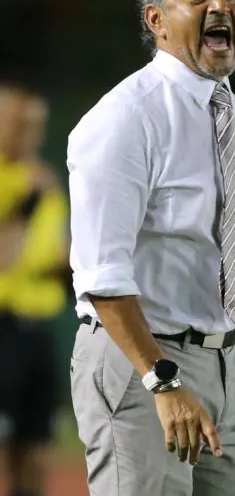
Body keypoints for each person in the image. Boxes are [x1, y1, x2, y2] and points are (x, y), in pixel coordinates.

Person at [67, 0, 235, 496]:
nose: (220, 6)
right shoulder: (125, 118)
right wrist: (162, 381)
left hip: (229, 365)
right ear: (156, 20)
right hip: (143, 362)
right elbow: (102, 277)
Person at [0, 85, 68, 496]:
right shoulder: (27, 186)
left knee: (38, 446)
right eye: (18, 125)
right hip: (2, 328)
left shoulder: (45, 181)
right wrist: (26, 203)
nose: (29, 135)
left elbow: (56, 250)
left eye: (35, 126)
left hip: (39, 328)